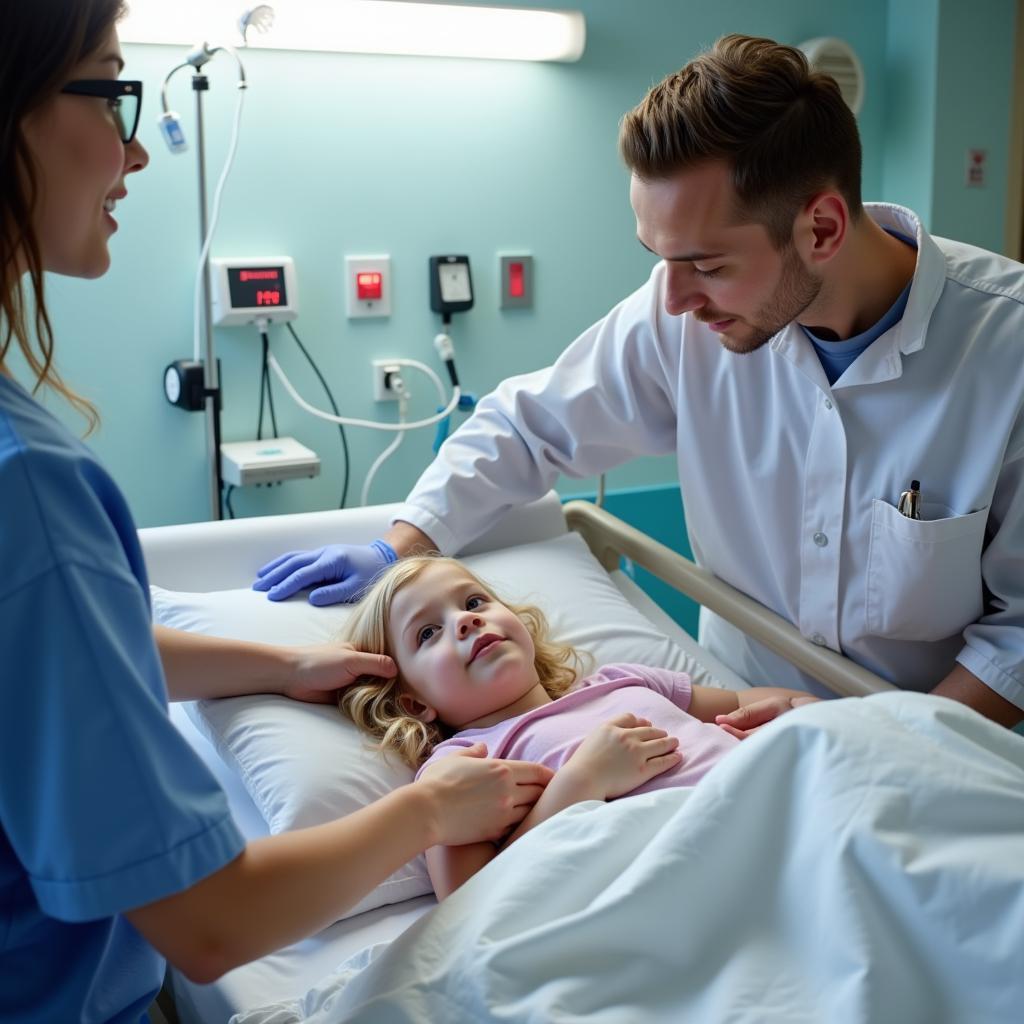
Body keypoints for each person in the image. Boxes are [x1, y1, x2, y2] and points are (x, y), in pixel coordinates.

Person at [0, 4, 552, 1019]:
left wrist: (285, 662)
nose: (135, 150)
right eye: (112, 89)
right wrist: (424, 809)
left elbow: (54, 656)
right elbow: (211, 923)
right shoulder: (28, 491)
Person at [256, 34, 1024, 732]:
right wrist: (401, 547)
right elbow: (529, 427)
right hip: (736, 706)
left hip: (925, 736)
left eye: (709, 265)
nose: (677, 298)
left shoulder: (1007, 353)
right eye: (661, 258)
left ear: (820, 228)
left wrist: (896, 750)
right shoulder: (683, 317)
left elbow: (1017, 636)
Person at [337, 554, 820, 898]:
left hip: (781, 811)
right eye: (428, 632)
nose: (463, 621)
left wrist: (798, 709)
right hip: (682, 868)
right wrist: (580, 784)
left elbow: (741, 702)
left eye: (475, 602)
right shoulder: (461, 764)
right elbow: (467, 904)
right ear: (415, 703)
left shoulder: (622, 681)